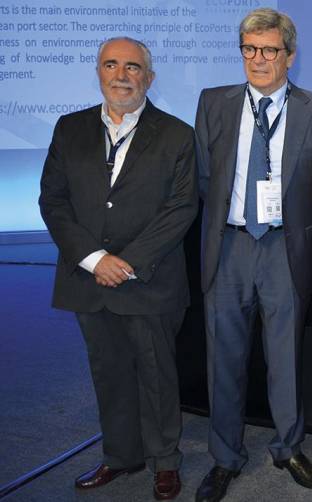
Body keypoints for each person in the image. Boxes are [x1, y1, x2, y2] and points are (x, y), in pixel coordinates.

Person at [38, 36, 197, 500]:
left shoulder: (176, 134)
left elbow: (181, 207)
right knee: (108, 373)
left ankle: (165, 462)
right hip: (89, 280)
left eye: (132, 67)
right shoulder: (69, 129)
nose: (121, 75)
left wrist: (125, 263)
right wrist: (94, 260)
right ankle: (121, 456)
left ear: (149, 77)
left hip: (148, 281)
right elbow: (53, 200)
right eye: (111, 65)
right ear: (99, 72)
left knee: (157, 376)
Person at [193, 8, 312, 502]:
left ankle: (288, 447)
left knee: (285, 358)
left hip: (284, 248)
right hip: (230, 245)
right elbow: (205, 179)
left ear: (290, 56)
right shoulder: (213, 102)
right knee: (223, 358)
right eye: (249, 49)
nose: (258, 59)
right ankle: (224, 457)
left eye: (269, 50)